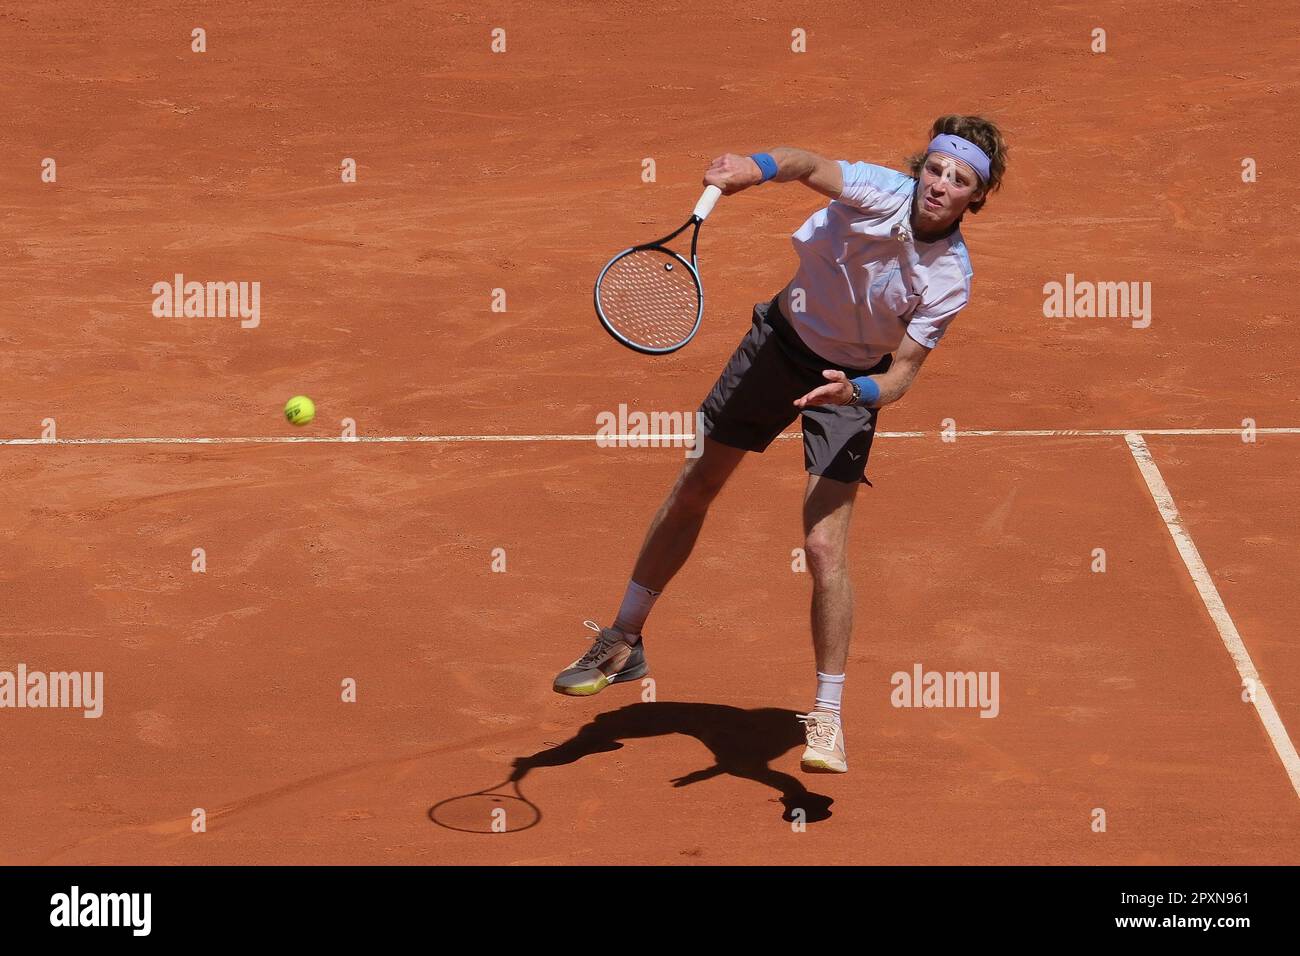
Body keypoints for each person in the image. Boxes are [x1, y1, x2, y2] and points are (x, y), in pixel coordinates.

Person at [554, 115, 1008, 774]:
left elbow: (903, 372)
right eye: (935, 168)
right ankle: (623, 639)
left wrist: (858, 395)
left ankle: (826, 717)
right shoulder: (878, 190)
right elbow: (804, 162)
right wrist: (751, 167)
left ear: (976, 197)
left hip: (847, 387)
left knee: (824, 547)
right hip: (778, 347)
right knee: (697, 487)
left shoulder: (951, 277)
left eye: (958, 179)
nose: (939, 184)